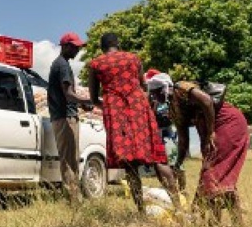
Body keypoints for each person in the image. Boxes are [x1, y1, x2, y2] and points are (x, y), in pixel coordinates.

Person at [87, 33, 181, 212]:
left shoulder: (96, 64)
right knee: (158, 159)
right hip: (140, 112)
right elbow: (143, 87)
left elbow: (93, 98)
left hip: (116, 117)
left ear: (102, 47)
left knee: (130, 165)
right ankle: (179, 209)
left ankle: (141, 211)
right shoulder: (133, 59)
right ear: (117, 44)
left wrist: (109, 106)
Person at [146, 72, 249, 227]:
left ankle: (211, 224)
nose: (154, 96)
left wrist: (210, 132)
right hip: (209, 131)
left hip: (227, 124)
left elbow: (207, 101)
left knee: (211, 175)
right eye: (152, 93)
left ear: (164, 88)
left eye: (156, 92)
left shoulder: (181, 88)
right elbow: (183, 140)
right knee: (219, 177)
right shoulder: (173, 109)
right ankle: (233, 224)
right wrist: (178, 163)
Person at [47, 32, 94, 204]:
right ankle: (73, 199)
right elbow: (68, 94)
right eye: (74, 47)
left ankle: (73, 197)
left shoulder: (59, 64)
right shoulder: (63, 66)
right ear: (65, 46)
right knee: (69, 160)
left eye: (78, 47)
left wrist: (81, 104)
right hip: (66, 117)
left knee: (70, 158)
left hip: (63, 115)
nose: (77, 50)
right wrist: (88, 100)